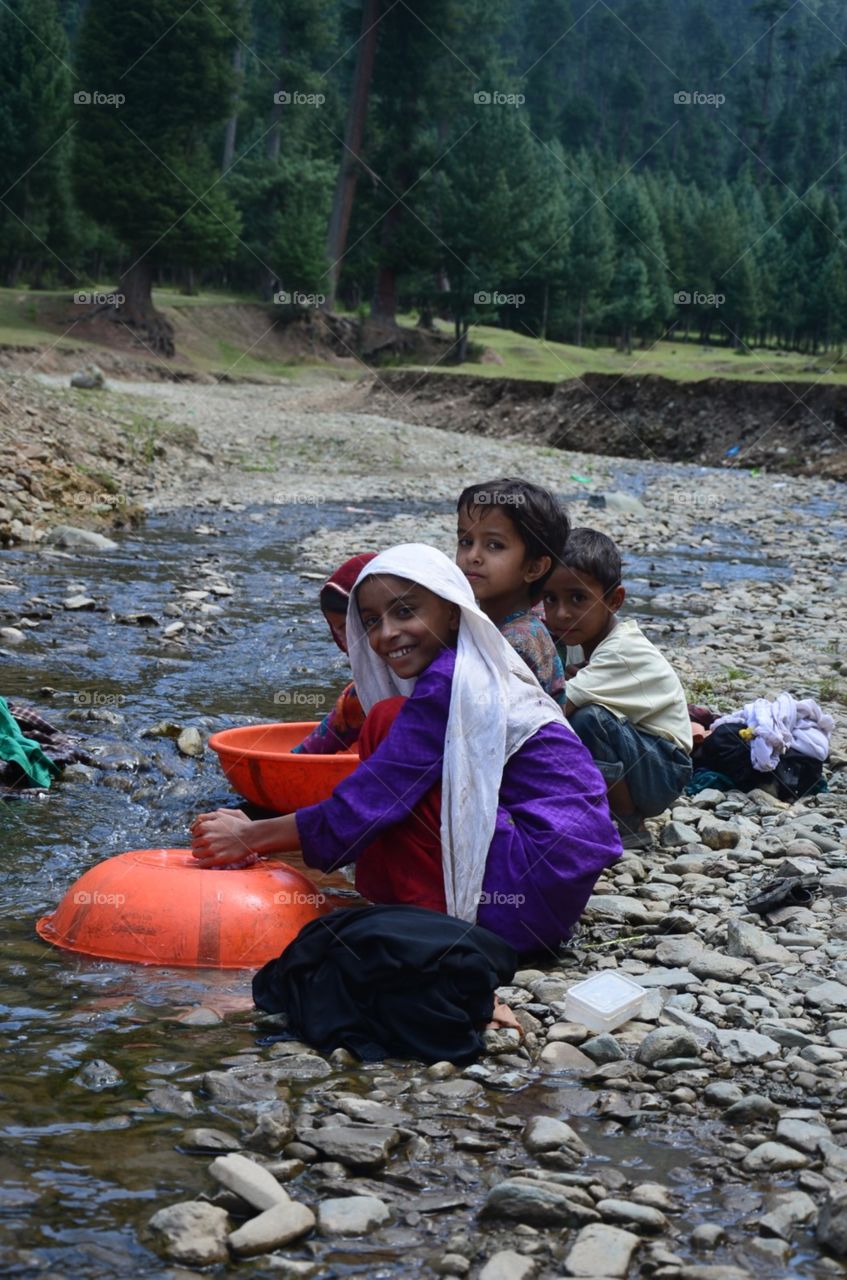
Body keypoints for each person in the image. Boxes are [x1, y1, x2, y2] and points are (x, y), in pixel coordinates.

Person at [191, 544, 621, 955]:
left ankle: (436, 932)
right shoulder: (467, 666)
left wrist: (251, 836)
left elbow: (373, 800)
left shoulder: (451, 682)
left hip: (530, 890)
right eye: (372, 621)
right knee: (389, 721)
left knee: (388, 729)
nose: (387, 634)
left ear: (453, 613)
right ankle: (421, 909)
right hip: (550, 885)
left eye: (405, 611)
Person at [542, 528, 693, 849]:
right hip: (643, 751)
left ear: (614, 600)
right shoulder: (584, 636)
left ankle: (629, 822)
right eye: (550, 599)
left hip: (664, 771)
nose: (561, 614)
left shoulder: (620, 651)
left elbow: (556, 708)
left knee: (587, 719)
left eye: (578, 598)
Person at [456, 477, 568, 706]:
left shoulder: (518, 641)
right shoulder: (493, 623)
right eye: (466, 541)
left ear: (534, 567)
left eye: (494, 545)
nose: (472, 556)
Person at [291, 553, 375, 754]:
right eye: (342, 630)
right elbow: (312, 750)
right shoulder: (358, 698)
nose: (351, 640)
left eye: (369, 623)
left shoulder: (444, 674)